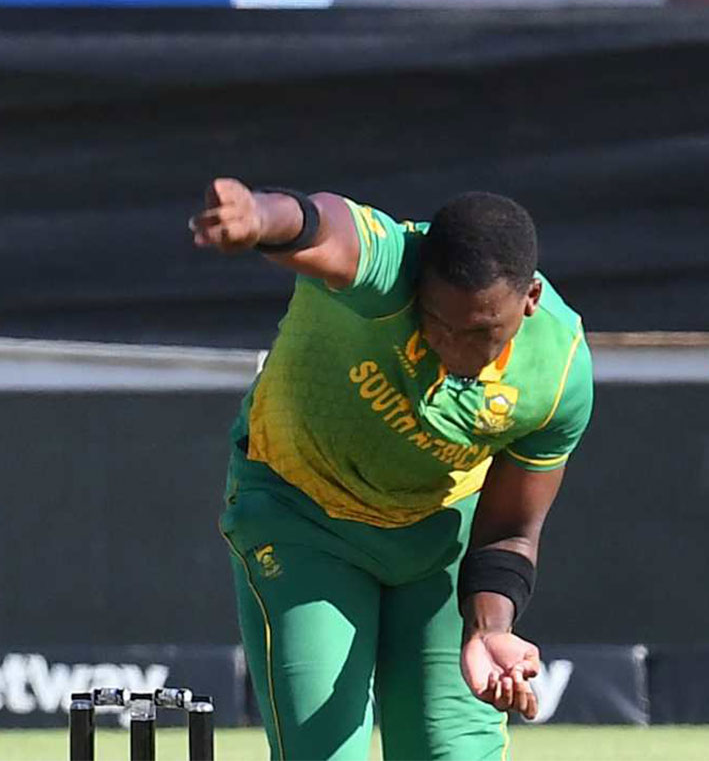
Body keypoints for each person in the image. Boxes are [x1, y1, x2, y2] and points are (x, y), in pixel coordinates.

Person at [189, 179, 593, 760]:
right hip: (303, 517)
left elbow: (509, 530)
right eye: (438, 323)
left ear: (529, 299)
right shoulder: (391, 266)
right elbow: (320, 224)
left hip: (435, 538)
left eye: (480, 332)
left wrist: (488, 630)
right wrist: (259, 216)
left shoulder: (558, 374)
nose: (453, 348)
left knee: (453, 751)